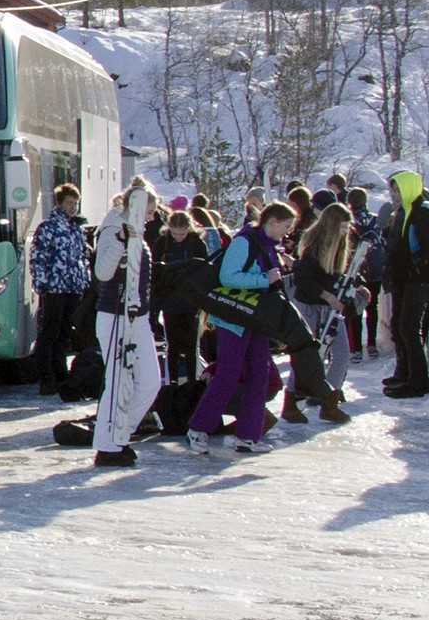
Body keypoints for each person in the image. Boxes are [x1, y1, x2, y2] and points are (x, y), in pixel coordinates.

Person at [187, 201, 299, 455]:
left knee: (260, 374)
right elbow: (228, 276)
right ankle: (198, 428)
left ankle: (248, 435)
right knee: (228, 373)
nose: (287, 232)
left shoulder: (268, 246)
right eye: (286, 226)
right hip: (234, 317)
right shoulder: (244, 242)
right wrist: (263, 279)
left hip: (255, 319)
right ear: (272, 222)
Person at [91, 179, 161, 468]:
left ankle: (118, 434)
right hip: (114, 314)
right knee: (118, 381)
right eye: (150, 210)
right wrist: (120, 242)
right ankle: (108, 444)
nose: (153, 217)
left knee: (149, 381)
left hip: (137, 315)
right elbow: (103, 273)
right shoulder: (113, 227)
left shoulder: (137, 231)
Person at [289, 202, 359, 425]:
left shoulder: (339, 246)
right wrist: (327, 296)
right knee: (306, 357)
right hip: (310, 306)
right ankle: (289, 405)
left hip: (329, 308)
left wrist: (357, 287)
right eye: (341, 227)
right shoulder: (313, 245)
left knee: (341, 353)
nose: (344, 232)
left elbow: (338, 276)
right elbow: (303, 279)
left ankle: (329, 402)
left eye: (347, 228)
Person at [382, 168, 429, 399]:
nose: (394, 194)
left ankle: (419, 381)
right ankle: (406, 373)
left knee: (409, 328)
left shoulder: (422, 213)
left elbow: (427, 249)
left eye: (398, 189)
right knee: (400, 326)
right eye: (393, 190)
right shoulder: (404, 211)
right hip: (405, 279)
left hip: (419, 280)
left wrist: (412, 266)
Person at [28, 183, 90, 396]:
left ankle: (61, 374)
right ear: (60, 203)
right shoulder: (48, 227)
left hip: (72, 286)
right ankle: (47, 377)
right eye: (69, 203)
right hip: (54, 287)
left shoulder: (77, 229)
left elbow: (83, 256)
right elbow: (38, 256)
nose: (73, 207)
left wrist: (84, 279)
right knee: (50, 333)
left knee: (64, 333)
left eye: (76, 203)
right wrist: (42, 283)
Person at [153, 204, 209, 394]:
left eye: (182, 233)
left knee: (191, 345)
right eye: (175, 233)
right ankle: (173, 384)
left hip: (191, 301)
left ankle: (193, 383)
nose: (179, 237)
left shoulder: (197, 244)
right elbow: (156, 271)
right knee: (173, 346)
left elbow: (204, 271)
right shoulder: (163, 243)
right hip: (170, 301)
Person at [349, 185, 386, 360]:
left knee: (355, 308)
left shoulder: (349, 223)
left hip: (356, 270)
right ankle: (371, 345)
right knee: (373, 307)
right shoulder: (376, 221)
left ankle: (356, 349)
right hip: (376, 270)